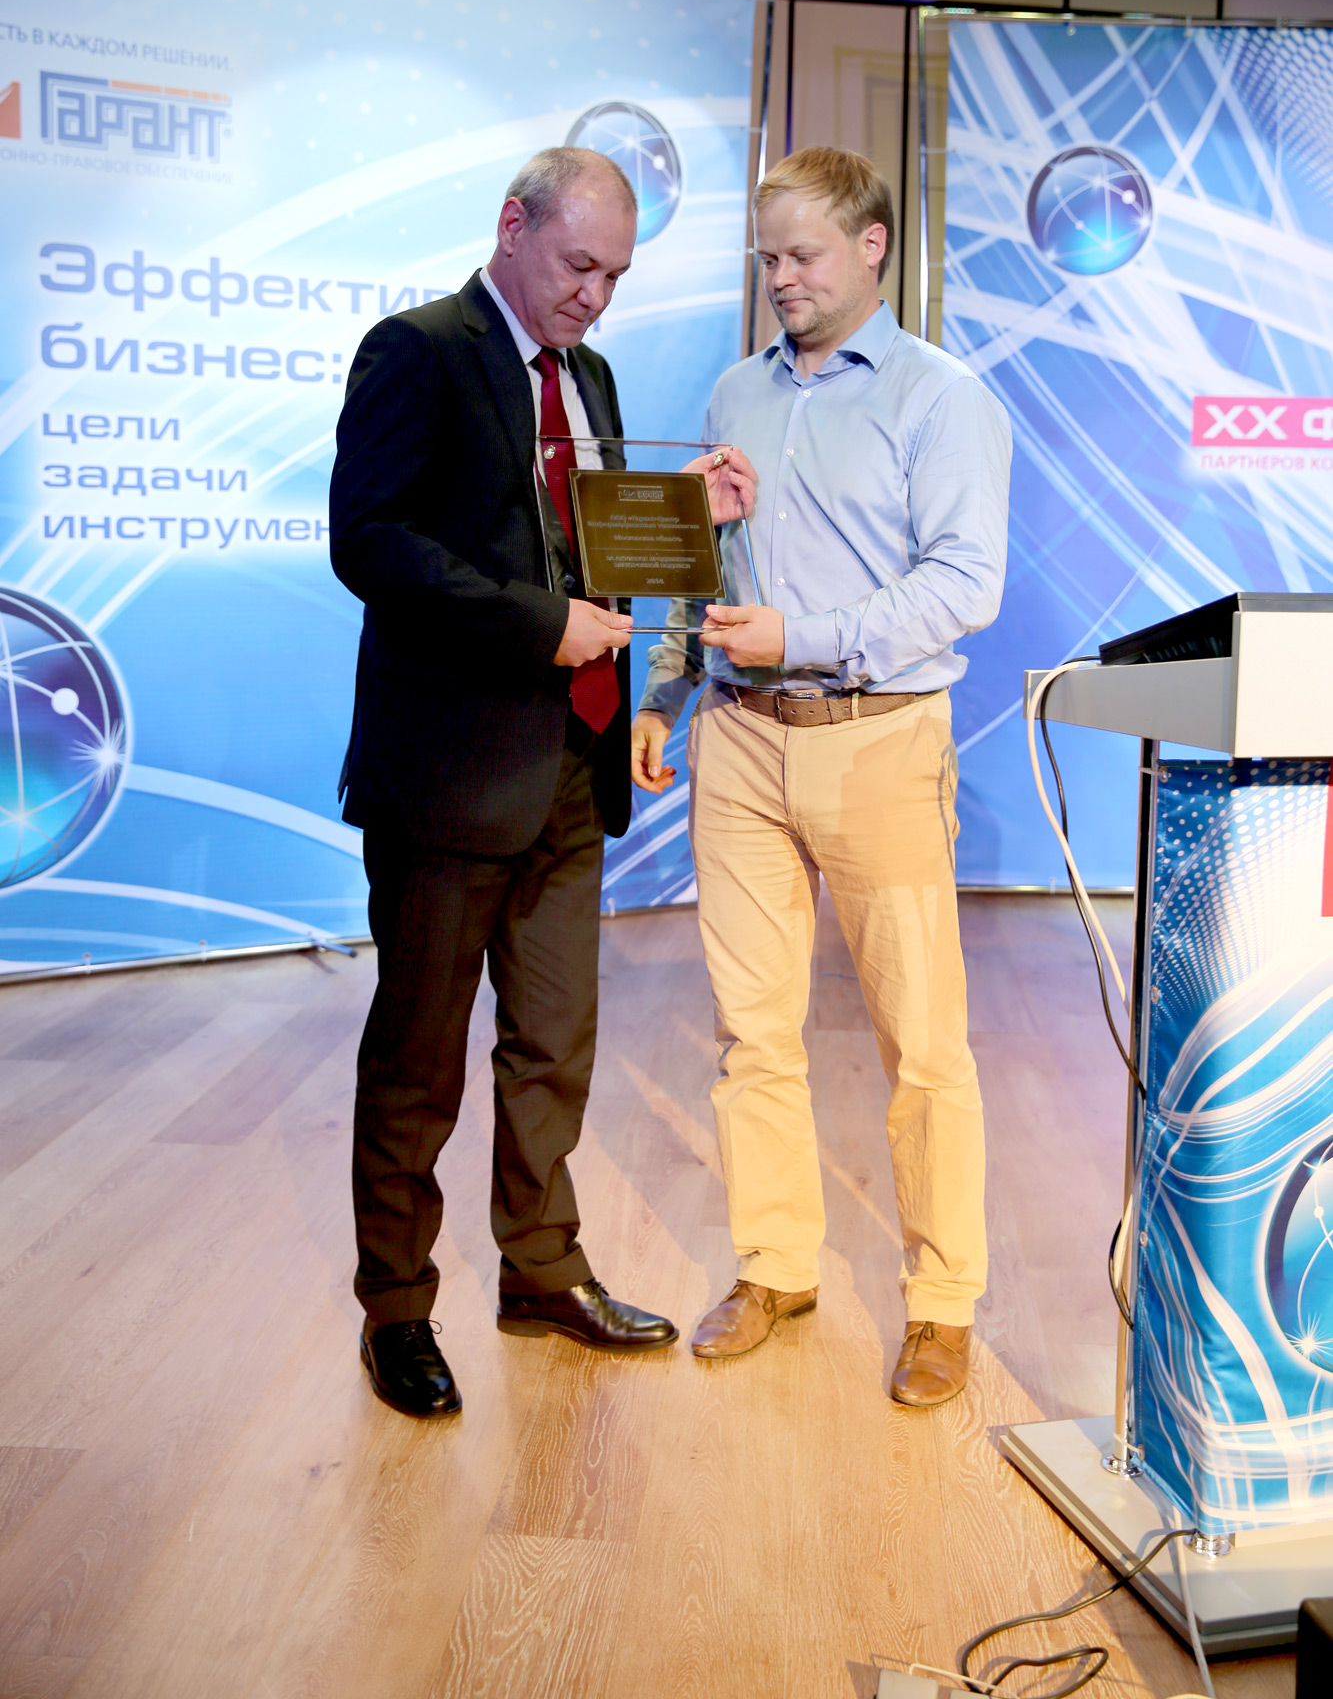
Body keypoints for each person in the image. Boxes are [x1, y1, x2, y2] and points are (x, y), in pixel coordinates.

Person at [631, 146, 1011, 1407]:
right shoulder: (734, 391)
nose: (781, 278)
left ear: (871, 246)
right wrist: (667, 687)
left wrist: (804, 634)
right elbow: (701, 560)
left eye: (801, 254)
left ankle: (942, 1300)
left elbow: (964, 585)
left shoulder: (939, 398)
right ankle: (775, 1267)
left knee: (922, 1043)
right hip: (738, 741)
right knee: (751, 1030)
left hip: (879, 737)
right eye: (767, 258)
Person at [330, 146, 688, 1419]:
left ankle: (540, 1269)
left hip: (574, 772)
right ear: (512, 226)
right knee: (418, 1059)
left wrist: (687, 514)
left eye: (616, 275)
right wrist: (539, 627)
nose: (596, 294)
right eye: (579, 265)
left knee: (554, 1046)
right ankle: (397, 1308)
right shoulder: (417, 350)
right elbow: (370, 541)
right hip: (449, 780)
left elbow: (593, 544)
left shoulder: (591, 376)